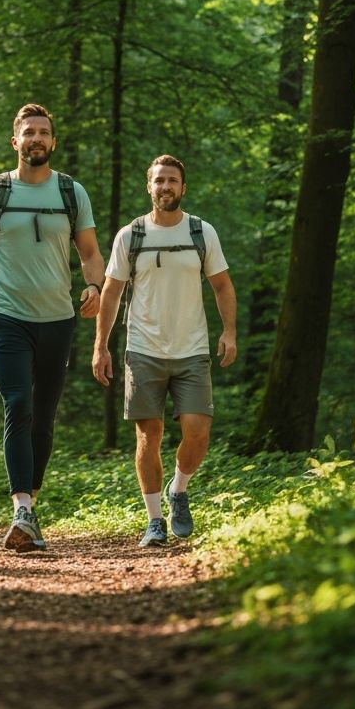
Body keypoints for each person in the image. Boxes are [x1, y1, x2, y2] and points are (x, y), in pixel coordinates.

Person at [0, 102, 105, 553]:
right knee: (18, 403)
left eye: (44, 132)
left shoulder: (72, 193)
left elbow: (91, 253)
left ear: (53, 142)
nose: (36, 138)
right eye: (28, 132)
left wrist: (94, 285)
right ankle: (21, 507)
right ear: (14, 141)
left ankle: (31, 503)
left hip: (58, 319)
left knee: (43, 415)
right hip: (6, 316)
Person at [92, 155, 237, 547]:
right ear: (149, 186)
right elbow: (111, 292)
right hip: (143, 349)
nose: (165, 187)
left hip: (192, 349)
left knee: (198, 432)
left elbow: (222, 285)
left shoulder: (201, 232)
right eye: (158, 181)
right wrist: (100, 345)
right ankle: (155, 520)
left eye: (172, 180)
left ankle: (179, 488)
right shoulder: (131, 235)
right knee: (148, 436)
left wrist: (229, 332)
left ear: (183, 188)